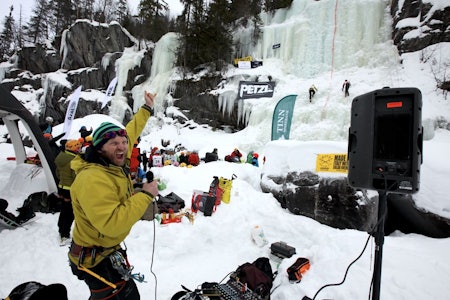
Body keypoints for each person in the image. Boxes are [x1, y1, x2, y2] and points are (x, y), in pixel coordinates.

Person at [68, 91, 159, 300]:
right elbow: (111, 223)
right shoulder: (92, 178)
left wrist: (146, 109)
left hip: (104, 250)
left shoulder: (112, 161)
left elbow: (131, 132)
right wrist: (144, 195)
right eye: (114, 144)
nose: (122, 147)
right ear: (100, 149)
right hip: (95, 260)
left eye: (123, 143)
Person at [55, 139, 82, 246]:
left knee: (64, 209)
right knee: (70, 213)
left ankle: (60, 228)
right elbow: (75, 176)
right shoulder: (73, 160)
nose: (79, 149)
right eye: (78, 147)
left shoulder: (61, 157)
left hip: (61, 187)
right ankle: (64, 235)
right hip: (70, 189)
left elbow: (57, 173)